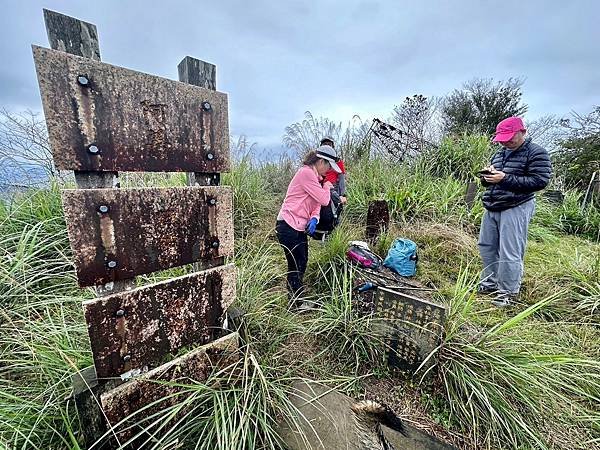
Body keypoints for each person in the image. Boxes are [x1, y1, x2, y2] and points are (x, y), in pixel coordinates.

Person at [478, 117, 552, 307]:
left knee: (510, 251)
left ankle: (508, 293)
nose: (505, 142)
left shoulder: (537, 153)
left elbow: (539, 181)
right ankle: (490, 283)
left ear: (523, 132)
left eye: (509, 138)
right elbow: (492, 181)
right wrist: (487, 177)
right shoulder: (499, 154)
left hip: (517, 205)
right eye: (502, 138)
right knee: (486, 246)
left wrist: (504, 178)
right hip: (493, 204)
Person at [276, 145, 342, 308]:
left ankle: (297, 298)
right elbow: (324, 199)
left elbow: (316, 204)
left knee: (302, 260)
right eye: (327, 166)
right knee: (296, 263)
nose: (328, 170)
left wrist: (314, 218)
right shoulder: (305, 173)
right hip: (287, 224)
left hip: (298, 225)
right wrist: (327, 187)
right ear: (320, 161)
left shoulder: (315, 178)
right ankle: (295, 303)